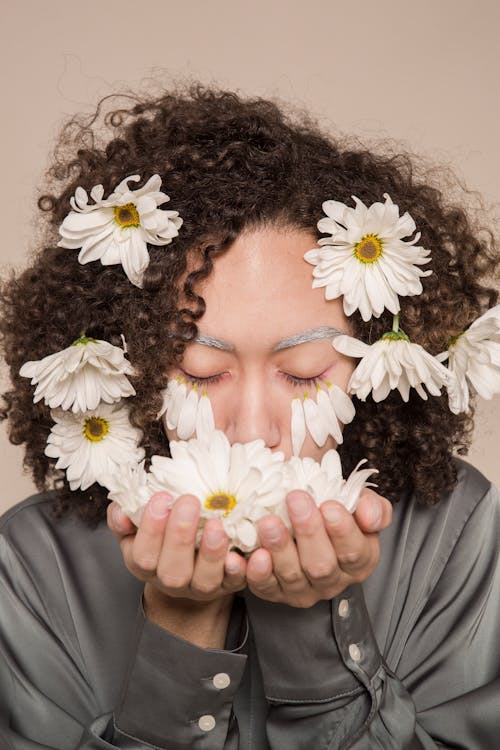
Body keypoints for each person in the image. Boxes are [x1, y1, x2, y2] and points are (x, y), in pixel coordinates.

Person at [0, 84, 499, 750]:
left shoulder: (455, 533)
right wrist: (179, 632)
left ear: (371, 362)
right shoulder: (33, 565)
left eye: (304, 373)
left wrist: (317, 630)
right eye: (202, 373)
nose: (253, 427)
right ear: (133, 367)